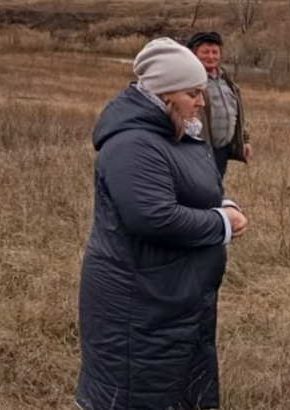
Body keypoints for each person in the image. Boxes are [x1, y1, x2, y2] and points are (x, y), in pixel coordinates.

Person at [76, 38, 248, 410]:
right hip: (137, 303)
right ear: (166, 94)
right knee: (138, 394)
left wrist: (222, 202)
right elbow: (152, 216)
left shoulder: (177, 131)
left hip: (176, 298)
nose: (201, 102)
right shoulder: (133, 144)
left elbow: (191, 186)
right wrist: (222, 224)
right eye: (193, 93)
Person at [186, 31, 252, 179]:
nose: (211, 56)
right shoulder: (188, 80)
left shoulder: (227, 80)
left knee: (216, 190)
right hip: (196, 150)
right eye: (205, 52)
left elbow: (236, 111)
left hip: (221, 150)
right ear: (194, 54)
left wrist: (244, 140)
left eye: (215, 52)